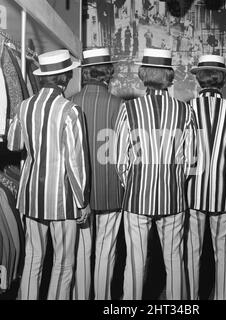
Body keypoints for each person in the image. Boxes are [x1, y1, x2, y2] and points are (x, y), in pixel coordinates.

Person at [7, 49, 90, 300]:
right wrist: (82, 201)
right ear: (63, 78)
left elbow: (14, 144)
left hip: (31, 194)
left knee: (32, 260)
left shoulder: (24, 106)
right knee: (63, 264)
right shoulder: (70, 110)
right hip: (61, 198)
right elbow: (75, 163)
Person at [114, 48, 196, 300]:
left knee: (136, 259)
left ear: (143, 75)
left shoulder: (129, 109)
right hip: (172, 196)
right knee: (174, 259)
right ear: (169, 77)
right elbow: (190, 159)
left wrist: (133, 183)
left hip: (137, 196)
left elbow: (120, 160)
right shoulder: (184, 110)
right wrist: (173, 181)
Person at [186, 54, 226, 300]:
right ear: (222, 80)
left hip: (193, 193)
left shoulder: (187, 108)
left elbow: (184, 155)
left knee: (191, 252)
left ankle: (191, 302)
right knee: (225, 253)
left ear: (199, 79)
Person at [70, 48, 124, 300]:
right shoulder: (119, 104)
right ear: (108, 73)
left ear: (86, 72)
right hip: (111, 187)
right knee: (106, 251)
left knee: (82, 250)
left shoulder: (71, 102)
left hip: (78, 192)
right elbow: (125, 151)